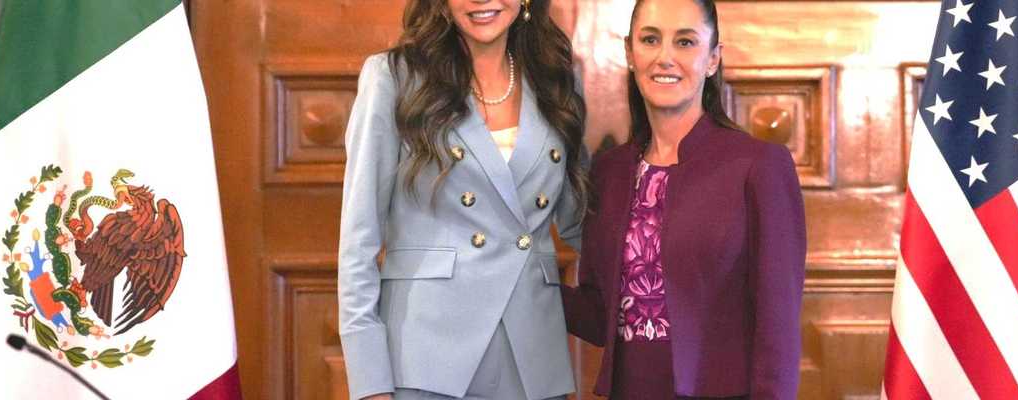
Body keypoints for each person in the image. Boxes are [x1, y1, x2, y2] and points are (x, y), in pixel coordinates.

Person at [337, 0, 588, 399]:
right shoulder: (394, 77)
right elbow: (359, 238)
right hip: (426, 357)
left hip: (532, 358)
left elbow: (580, 224)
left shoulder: (557, 80)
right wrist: (370, 380)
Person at [561, 0, 807, 398]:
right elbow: (600, 314)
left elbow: (777, 325)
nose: (665, 58)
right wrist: (519, 279)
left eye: (686, 42)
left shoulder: (760, 166)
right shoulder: (609, 172)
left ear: (713, 59)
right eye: (650, 39)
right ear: (629, 52)